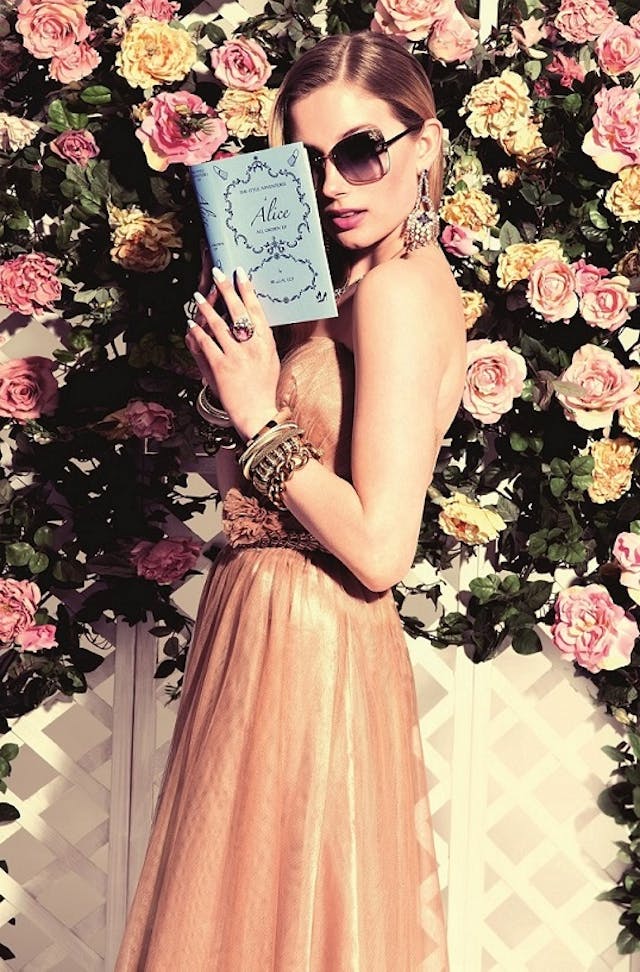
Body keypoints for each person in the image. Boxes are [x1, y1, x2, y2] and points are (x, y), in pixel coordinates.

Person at [115, 29, 466, 972]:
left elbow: (381, 548)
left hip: (314, 636)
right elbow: (258, 493)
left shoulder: (397, 294)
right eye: (313, 162)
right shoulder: (351, 288)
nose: (337, 185)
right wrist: (225, 387)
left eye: (362, 150)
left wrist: (257, 413)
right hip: (264, 622)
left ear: (425, 146)